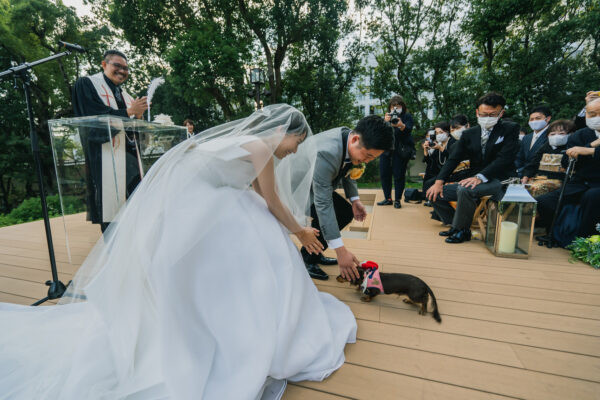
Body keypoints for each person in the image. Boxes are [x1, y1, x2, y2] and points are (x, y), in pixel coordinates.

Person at [0, 105, 357, 400]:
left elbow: (255, 192)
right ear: (281, 130)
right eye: (297, 141)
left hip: (191, 202)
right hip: (204, 205)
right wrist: (299, 231)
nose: (296, 149)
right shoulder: (261, 146)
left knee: (251, 231)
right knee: (254, 240)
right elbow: (271, 200)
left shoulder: (243, 141)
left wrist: (293, 226)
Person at [301, 115, 394, 281]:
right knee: (324, 215)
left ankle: (314, 252)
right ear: (355, 139)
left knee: (345, 212)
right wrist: (341, 251)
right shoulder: (326, 152)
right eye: (368, 156)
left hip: (317, 186)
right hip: (297, 188)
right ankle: (306, 260)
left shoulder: (350, 139)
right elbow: (323, 203)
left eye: (372, 158)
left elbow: (349, 167)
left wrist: (355, 200)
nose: (367, 161)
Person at [426, 92, 520, 244]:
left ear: (501, 113)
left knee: (465, 190)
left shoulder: (510, 129)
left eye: (492, 114)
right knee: (433, 192)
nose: (487, 118)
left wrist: (479, 177)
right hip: (475, 179)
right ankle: (454, 225)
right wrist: (439, 182)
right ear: (477, 112)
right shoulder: (469, 133)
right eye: (483, 114)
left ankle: (462, 231)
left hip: (499, 179)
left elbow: (504, 159)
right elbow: (453, 159)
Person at [72, 50, 149, 232]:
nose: (122, 71)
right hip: (104, 157)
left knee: (136, 211)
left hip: (130, 161)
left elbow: (131, 132)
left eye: (126, 68)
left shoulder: (126, 96)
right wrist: (129, 112)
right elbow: (93, 119)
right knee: (112, 216)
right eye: (117, 66)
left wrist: (138, 118)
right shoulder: (87, 84)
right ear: (104, 64)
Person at [537, 99, 600, 239]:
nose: (596, 118)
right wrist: (592, 145)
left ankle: (585, 240)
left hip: (598, 184)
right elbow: (566, 161)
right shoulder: (580, 134)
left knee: (592, 197)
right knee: (545, 201)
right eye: (592, 114)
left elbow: (587, 152)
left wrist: (592, 151)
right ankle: (556, 234)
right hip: (580, 182)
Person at [520, 119, 576, 197]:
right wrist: (526, 176)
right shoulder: (545, 147)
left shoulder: (572, 148)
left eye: (561, 133)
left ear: (571, 134)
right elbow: (533, 163)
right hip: (539, 178)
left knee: (536, 188)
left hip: (560, 182)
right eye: (552, 134)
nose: (556, 136)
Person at [377, 95, 414, 208]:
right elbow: (379, 133)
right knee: (384, 174)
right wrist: (384, 122)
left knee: (399, 175)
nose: (395, 109)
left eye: (398, 106)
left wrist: (401, 125)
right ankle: (387, 198)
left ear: (402, 106)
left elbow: (408, 130)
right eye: (393, 106)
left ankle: (397, 200)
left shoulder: (407, 116)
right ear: (389, 107)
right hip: (386, 150)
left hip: (400, 151)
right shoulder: (386, 117)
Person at [515, 106, 552, 177]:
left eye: (538, 118)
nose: (534, 121)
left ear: (548, 119)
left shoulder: (553, 135)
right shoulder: (526, 137)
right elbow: (519, 158)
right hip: (521, 174)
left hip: (541, 176)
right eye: (531, 119)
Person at [422, 121, 451, 195]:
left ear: (448, 132)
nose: (438, 135)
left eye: (441, 132)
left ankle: (430, 197)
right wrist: (425, 149)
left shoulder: (452, 142)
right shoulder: (439, 144)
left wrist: (440, 148)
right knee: (428, 175)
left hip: (450, 172)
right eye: (437, 133)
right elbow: (429, 162)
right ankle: (427, 196)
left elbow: (452, 157)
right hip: (438, 172)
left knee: (429, 182)